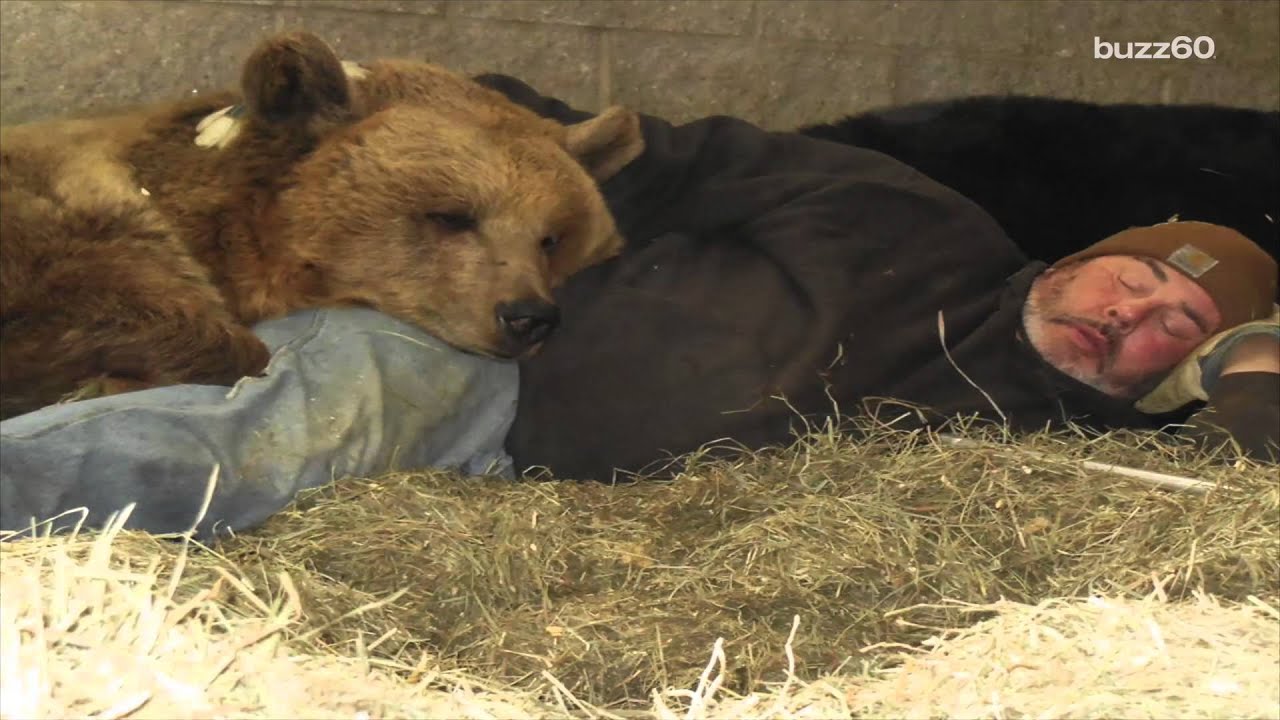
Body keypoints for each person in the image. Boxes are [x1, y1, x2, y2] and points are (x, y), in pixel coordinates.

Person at [2, 73, 1276, 539]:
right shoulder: (909, 219)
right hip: (485, 365)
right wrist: (458, 123)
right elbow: (667, 158)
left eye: (1175, 325)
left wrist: (1246, 371)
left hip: (517, 529)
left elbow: (1236, 506)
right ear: (1089, 251)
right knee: (249, 442)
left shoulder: (1075, 460)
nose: (1133, 315)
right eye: (1139, 274)